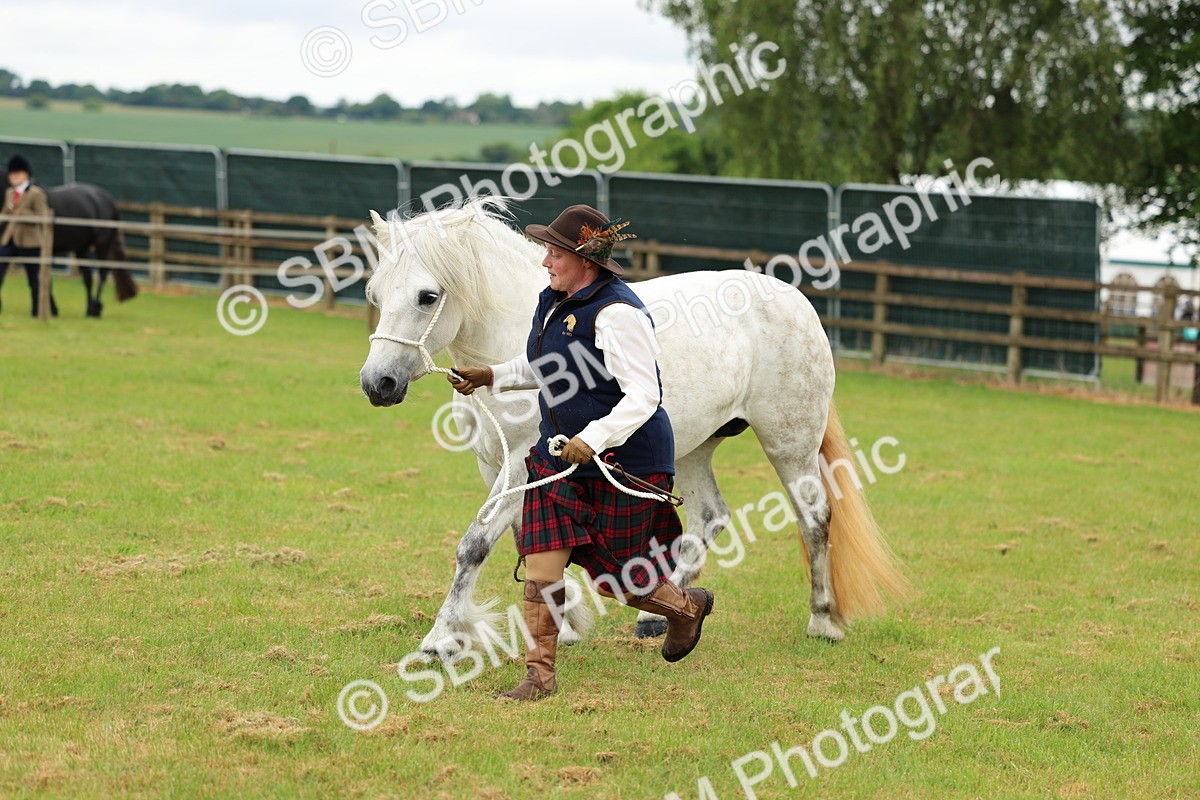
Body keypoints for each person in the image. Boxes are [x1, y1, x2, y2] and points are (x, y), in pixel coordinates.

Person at [449, 204, 716, 702]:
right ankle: (539, 676)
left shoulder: (618, 313)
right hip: (557, 459)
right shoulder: (552, 301)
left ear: (585, 261)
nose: (545, 261)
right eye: (547, 251)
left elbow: (644, 395)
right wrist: (492, 375)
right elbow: (543, 365)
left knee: (623, 582)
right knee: (541, 564)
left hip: (627, 463)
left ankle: (684, 607)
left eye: (554, 253)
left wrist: (592, 438)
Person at [0, 154, 58, 317]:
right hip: (10, 238)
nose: (13, 177)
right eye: (11, 174)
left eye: (16, 174)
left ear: (25, 174)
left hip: (30, 241)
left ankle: (38, 311)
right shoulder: (10, 193)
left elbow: (43, 216)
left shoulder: (36, 193)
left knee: (35, 279)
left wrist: (22, 213)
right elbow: (5, 212)